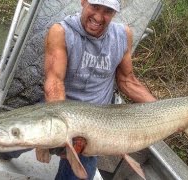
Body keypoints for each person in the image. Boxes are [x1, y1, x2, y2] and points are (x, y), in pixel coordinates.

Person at [43, 0, 156, 179]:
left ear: (115, 13)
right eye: (94, 7)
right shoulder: (61, 32)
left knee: (78, 176)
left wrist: (163, 110)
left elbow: (127, 81)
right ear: (83, 2)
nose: (98, 17)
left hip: (97, 123)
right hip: (62, 108)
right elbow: (55, 83)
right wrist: (65, 131)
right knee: (11, 144)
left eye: (107, 11)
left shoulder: (123, 34)